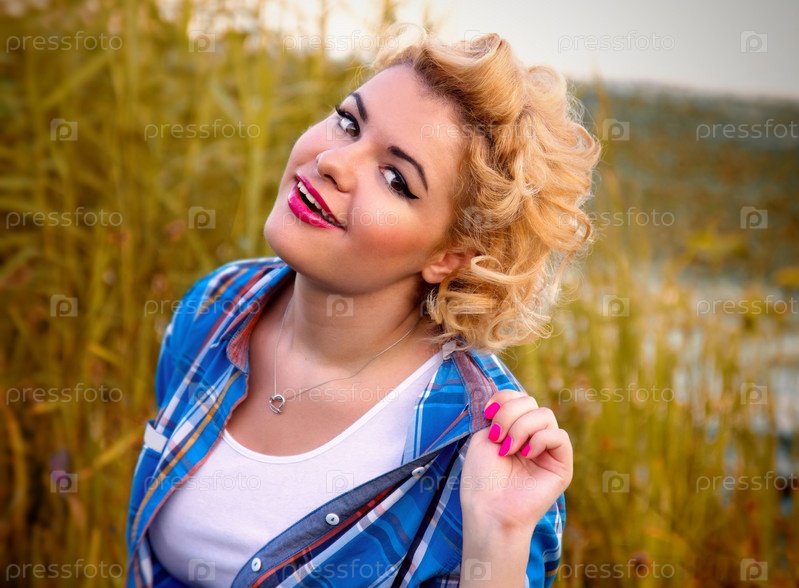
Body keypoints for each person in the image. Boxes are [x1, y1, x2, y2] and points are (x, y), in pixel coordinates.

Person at [127, 25, 599, 587]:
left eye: (396, 178)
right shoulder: (218, 306)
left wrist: (496, 541)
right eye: (349, 123)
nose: (335, 161)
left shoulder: (484, 451)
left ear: (449, 256)